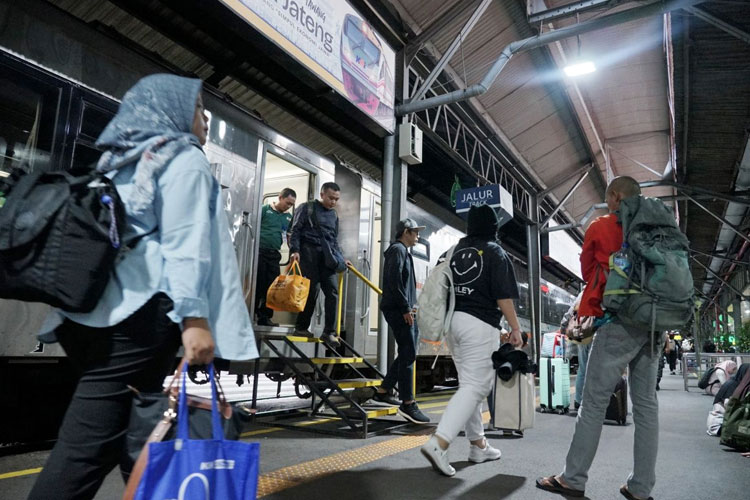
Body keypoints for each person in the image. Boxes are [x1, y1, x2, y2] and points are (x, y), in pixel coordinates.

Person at [28, 74, 258, 500]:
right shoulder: (184, 157)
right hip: (141, 317)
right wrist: (194, 319)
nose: (205, 116)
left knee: (141, 428)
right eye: (196, 107)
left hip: (96, 315)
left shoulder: (124, 157)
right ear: (171, 111)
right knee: (85, 450)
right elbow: (185, 242)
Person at [537, 176, 671, 500]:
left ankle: (573, 478)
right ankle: (640, 488)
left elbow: (587, 273)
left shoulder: (601, 227)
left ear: (614, 196)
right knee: (647, 408)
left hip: (618, 323)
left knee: (593, 403)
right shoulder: (658, 232)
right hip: (654, 324)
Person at [420, 204, 523, 477]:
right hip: (479, 324)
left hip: (452, 323)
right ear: (493, 227)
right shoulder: (495, 252)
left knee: (470, 386)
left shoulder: (451, 252)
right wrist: (515, 328)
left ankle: (478, 446)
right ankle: (439, 443)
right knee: (476, 387)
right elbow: (503, 296)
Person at [374, 218, 430, 424]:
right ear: (406, 232)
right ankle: (407, 403)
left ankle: (383, 390)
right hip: (399, 309)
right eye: (415, 232)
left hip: (400, 308)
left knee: (408, 352)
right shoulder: (398, 250)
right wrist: (406, 308)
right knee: (409, 353)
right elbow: (394, 281)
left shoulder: (401, 251)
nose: (418, 236)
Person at [289, 182, 350, 346]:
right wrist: (295, 250)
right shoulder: (306, 208)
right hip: (309, 253)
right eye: (331, 198)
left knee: (332, 292)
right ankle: (301, 327)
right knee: (312, 290)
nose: (333, 202)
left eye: (336, 199)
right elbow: (295, 231)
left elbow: (334, 240)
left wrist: (341, 258)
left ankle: (329, 332)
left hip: (328, 257)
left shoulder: (334, 215)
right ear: (322, 194)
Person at [255, 188, 296, 326]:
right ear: (280, 197)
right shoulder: (264, 209)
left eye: (291, 204)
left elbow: (288, 236)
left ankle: (265, 317)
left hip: (274, 254)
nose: (288, 206)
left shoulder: (288, 217)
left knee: (272, 287)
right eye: (287, 202)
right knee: (258, 284)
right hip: (259, 251)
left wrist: (294, 252)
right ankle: (251, 312)